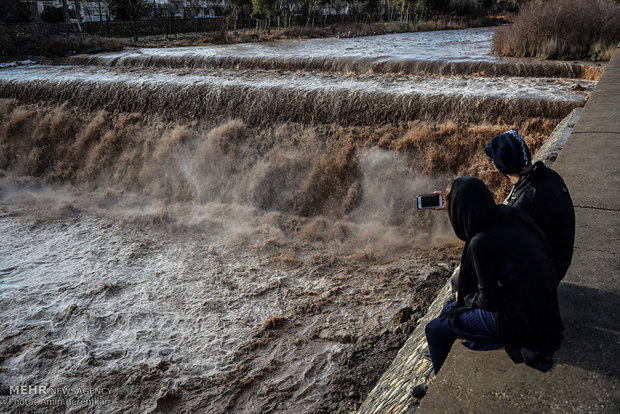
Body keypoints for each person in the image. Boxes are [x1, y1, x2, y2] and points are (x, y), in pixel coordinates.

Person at [412, 177, 564, 399]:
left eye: (453, 206)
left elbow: (489, 300)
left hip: (517, 320)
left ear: (461, 211)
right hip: (542, 305)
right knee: (451, 307)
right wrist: (450, 204)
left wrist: (466, 300)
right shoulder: (508, 214)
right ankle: (447, 346)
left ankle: (438, 385)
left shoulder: (480, 242)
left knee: (434, 329)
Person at [485, 129, 575, 281]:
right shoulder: (549, 175)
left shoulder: (523, 205)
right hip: (559, 260)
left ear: (502, 167)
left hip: (546, 275)